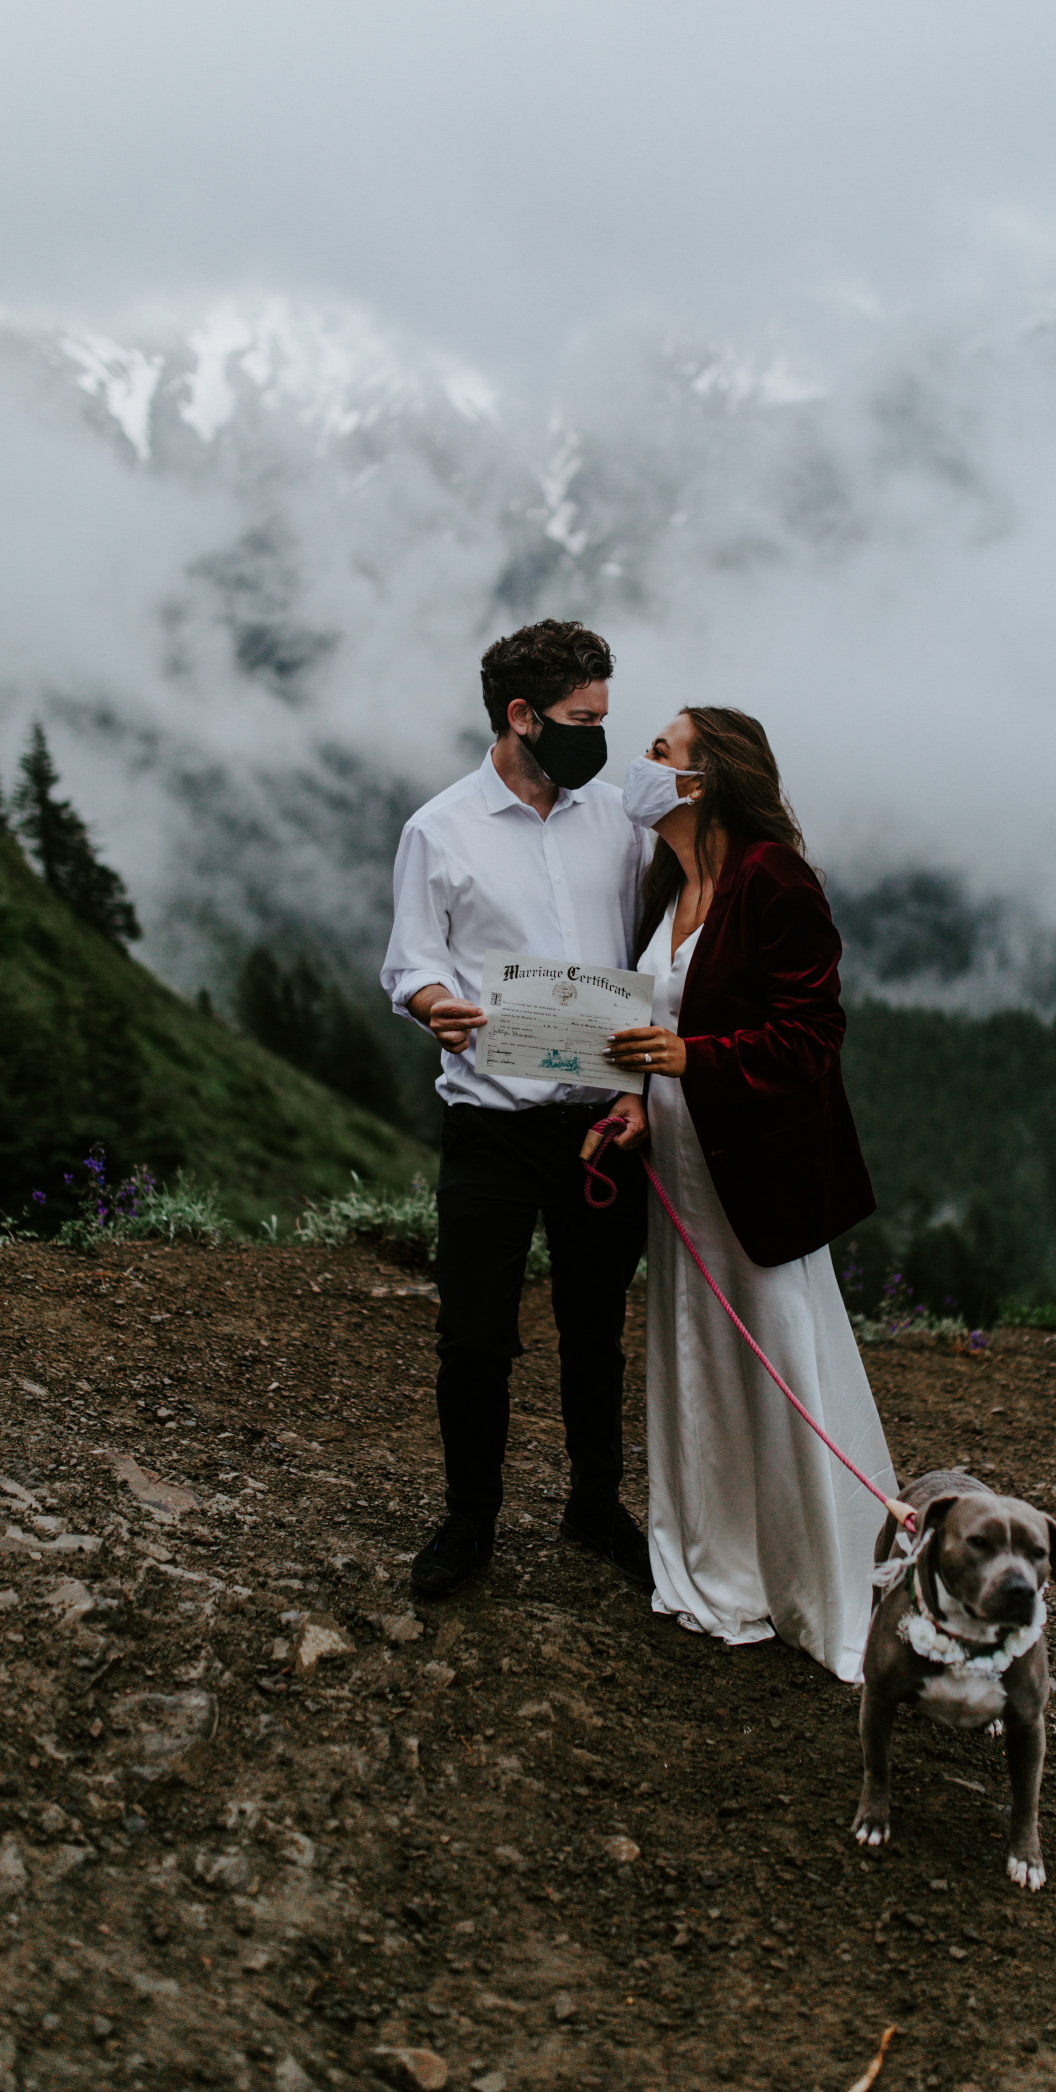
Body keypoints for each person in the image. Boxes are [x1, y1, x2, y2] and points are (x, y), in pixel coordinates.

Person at [596, 706, 896, 1679]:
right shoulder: (664, 881)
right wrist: (636, 1100)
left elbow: (812, 1034)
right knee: (693, 1354)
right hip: (675, 1166)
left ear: (705, 777)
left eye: (658, 751)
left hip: (756, 1168)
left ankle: (823, 1579)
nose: (640, 764)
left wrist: (692, 1056)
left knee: (776, 1353)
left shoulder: (773, 877)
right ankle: (717, 1567)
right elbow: (652, 1021)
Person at [381, 619, 652, 1599]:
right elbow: (410, 958)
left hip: (599, 1123)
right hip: (491, 1121)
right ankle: (467, 1523)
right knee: (473, 1334)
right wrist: (427, 1004)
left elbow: (649, 953)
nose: (597, 738)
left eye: (604, 718)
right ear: (520, 715)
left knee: (595, 1328)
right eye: (582, 720)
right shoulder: (438, 829)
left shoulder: (621, 822)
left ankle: (594, 1505)